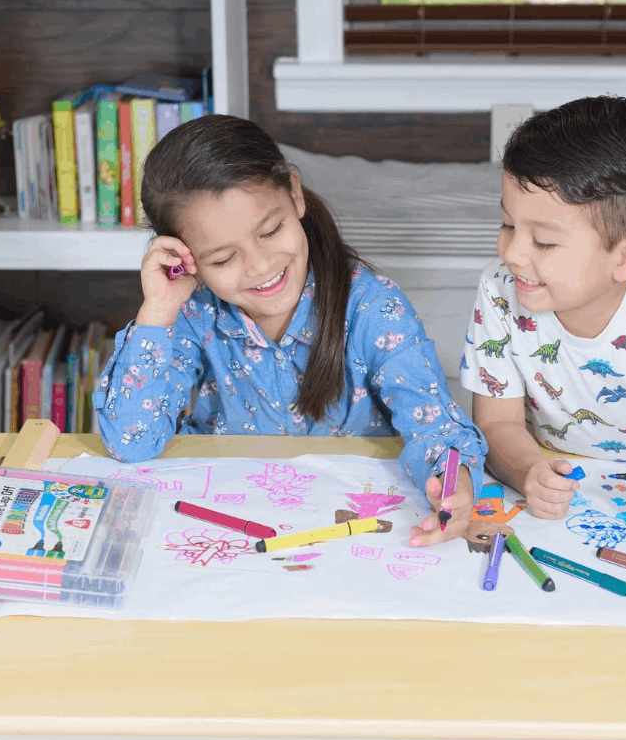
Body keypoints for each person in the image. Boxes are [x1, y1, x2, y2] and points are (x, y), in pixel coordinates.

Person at [93, 114, 486, 546]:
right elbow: (131, 444)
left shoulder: (374, 307)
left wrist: (453, 485)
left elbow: (436, 428)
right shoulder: (189, 314)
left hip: (354, 533)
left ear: (295, 194)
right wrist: (158, 311)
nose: (260, 267)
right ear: (185, 259)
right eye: (223, 259)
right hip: (229, 526)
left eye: (271, 230)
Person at [460, 95, 626, 521]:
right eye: (507, 224)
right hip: (556, 491)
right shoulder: (500, 289)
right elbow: (496, 422)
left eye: (544, 241)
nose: (512, 253)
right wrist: (527, 471)